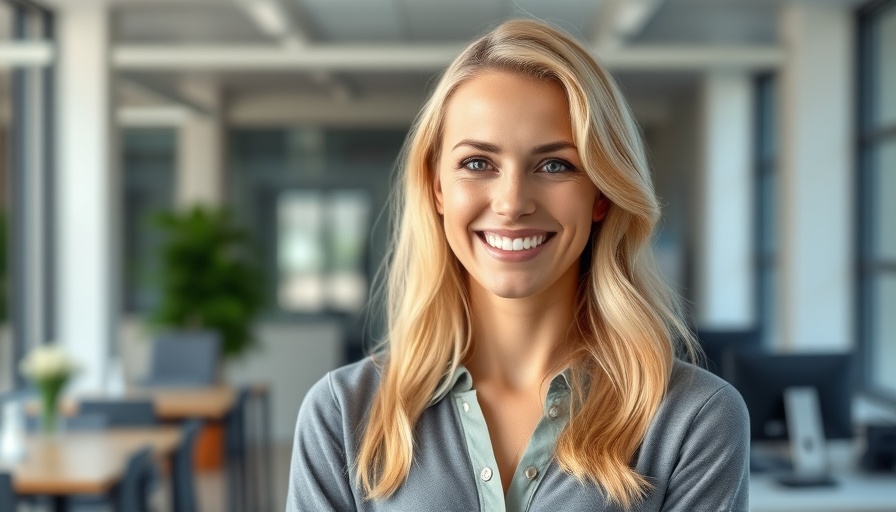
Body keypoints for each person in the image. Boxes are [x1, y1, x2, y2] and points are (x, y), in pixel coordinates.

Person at [287, 18, 749, 512]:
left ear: (601, 195)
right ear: (438, 188)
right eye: (478, 163)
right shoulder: (343, 414)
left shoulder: (694, 419)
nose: (511, 203)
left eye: (555, 166)